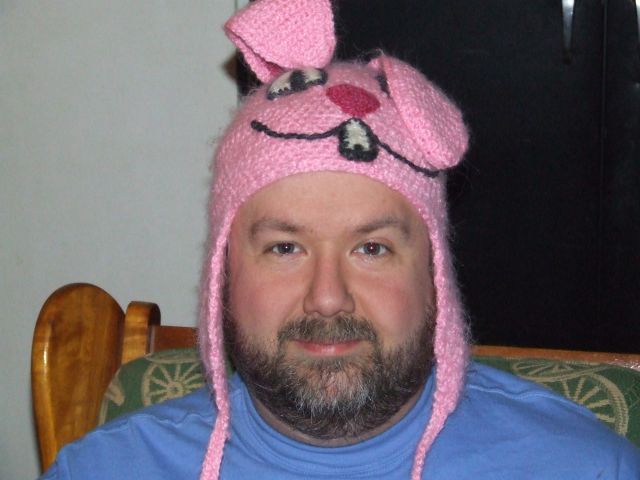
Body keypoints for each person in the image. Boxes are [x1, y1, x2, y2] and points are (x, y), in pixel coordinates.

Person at [40, 0, 640, 479]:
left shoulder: (587, 469)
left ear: (435, 274)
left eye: (371, 248)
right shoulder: (104, 470)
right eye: (285, 248)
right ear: (223, 274)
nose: (327, 298)